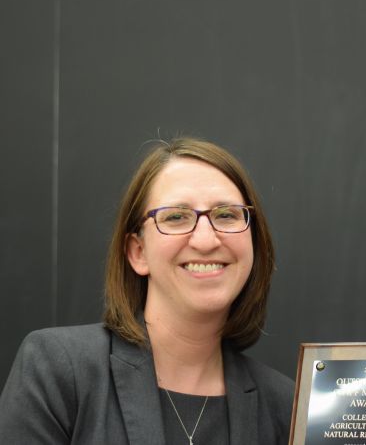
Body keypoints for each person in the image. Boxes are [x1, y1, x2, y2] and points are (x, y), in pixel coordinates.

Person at [0, 138, 293, 444]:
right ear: (137, 252)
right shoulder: (59, 371)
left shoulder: (286, 406)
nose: (206, 240)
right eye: (176, 217)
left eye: (227, 215)